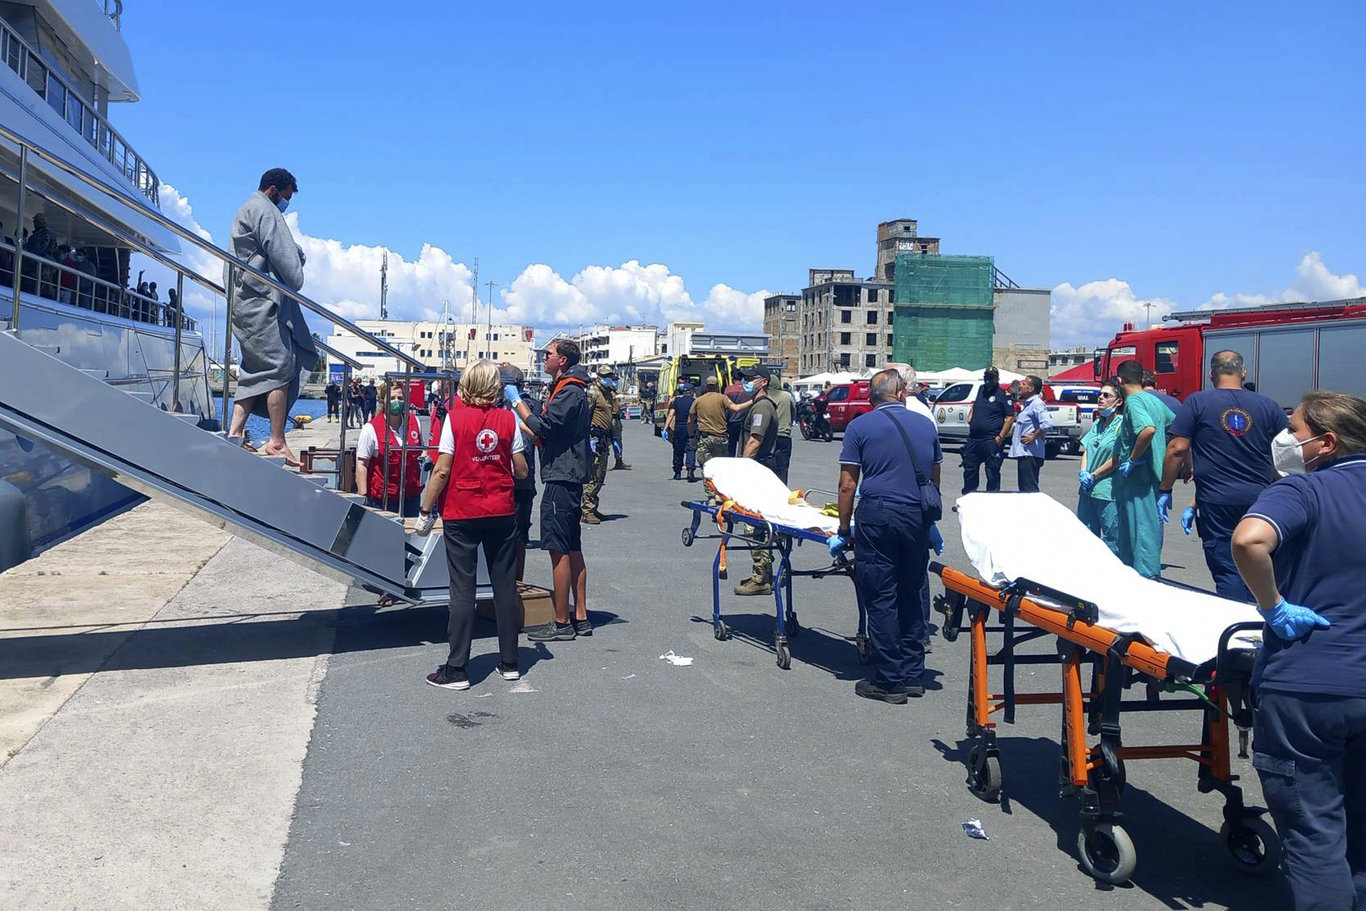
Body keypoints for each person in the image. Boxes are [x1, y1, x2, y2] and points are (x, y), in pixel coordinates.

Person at [1230, 390, 1366, 911]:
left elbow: (1248, 541)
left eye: (1294, 429)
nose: (1285, 440)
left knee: (1314, 836)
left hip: (1309, 688)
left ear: (1326, 443)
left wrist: (1274, 605)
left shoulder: (1304, 491)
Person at [829, 369, 941, 703]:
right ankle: (912, 675)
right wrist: (929, 524)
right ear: (902, 393)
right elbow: (934, 480)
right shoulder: (926, 426)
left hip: (879, 515)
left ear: (872, 397)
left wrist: (844, 529)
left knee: (881, 594)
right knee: (911, 592)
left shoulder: (860, 427)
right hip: (916, 516)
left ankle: (889, 680)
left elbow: (848, 484)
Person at [415, 360, 528, 691]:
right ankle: (509, 661)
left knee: (462, 588)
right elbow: (520, 470)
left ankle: (457, 667)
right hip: (501, 510)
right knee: (504, 586)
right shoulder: (508, 420)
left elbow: (441, 470)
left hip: (463, 511)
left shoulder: (455, 418)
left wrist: (425, 510)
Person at [1158, 350, 1286, 602]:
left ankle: (1235, 626)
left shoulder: (1197, 402)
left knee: (1228, 569)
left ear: (1210, 374)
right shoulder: (1268, 406)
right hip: (1261, 500)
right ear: (1243, 373)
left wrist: (1165, 489)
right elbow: (1287, 450)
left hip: (1217, 501)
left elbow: (1177, 448)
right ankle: (1263, 619)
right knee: (1260, 562)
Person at [225, 168, 316, 466]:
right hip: (261, 302)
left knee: (255, 367)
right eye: (286, 197)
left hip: (244, 300)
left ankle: (235, 433)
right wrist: (297, 259)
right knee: (281, 365)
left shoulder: (245, 210)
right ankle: (277, 441)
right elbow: (290, 267)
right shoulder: (265, 212)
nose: (286, 204)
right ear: (274, 190)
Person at [505, 338, 593, 641]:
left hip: (562, 475)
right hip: (567, 472)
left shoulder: (569, 391)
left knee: (559, 548)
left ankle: (561, 620)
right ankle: (579, 616)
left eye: (549, 354)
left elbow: (545, 427)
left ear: (563, 361)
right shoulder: (572, 389)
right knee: (572, 547)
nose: (545, 358)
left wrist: (517, 403)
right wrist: (517, 423)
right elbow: (544, 429)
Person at [1113, 359, 1175, 578]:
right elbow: (1175, 427)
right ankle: (1143, 575)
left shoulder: (1134, 402)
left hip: (1140, 477)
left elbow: (1147, 430)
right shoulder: (1155, 401)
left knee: (1141, 532)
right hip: (1153, 476)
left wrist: (1133, 457)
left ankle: (1145, 579)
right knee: (1146, 528)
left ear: (1120, 380)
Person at [734, 366, 781, 596]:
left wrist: (742, 469)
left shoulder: (762, 407)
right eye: (744, 378)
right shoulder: (757, 404)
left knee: (754, 525)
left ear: (763, 382)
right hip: (761, 468)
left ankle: (760, 578)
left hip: (758, 468)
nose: (745, 382)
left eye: (750, 379)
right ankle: (763, 574)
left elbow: (754, 441)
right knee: (759, 525)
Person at [353, 380, 425, 515]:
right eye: (392, 398)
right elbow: (362, 464)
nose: (396, 401)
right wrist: (363, 496)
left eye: (400, 398)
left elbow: (421, 450)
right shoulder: (371, 429)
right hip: (383, 498)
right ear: (383, 401)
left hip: (411, 496)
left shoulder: (414, 422)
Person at [1076, 379, 1124, 556]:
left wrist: (1094, 475)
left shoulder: (1121, 425)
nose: (1101, 398)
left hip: (1107, 491)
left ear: (1118, 401)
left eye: (1106, 395)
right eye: (1100, 395)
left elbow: (1116, 458)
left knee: (1112, 538)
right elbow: (1087, 449)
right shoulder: (1098, 423)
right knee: (1086, 536)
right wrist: (1083, 472)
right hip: (1087, 490)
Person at [501, 366, 539, 581]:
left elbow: (536, 436)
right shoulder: (494, 408)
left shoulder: (531, 407)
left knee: (519, 537)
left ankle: (516, 584)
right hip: (500, 480)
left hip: (522, 480)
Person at [961, 367, 1015, 494]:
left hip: (991, 439)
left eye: (991, 377)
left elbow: (1010, 417)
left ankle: (992, 496)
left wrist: (1000, 437)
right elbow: (976, 404)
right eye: (986, 376)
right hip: (974, 438)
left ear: (997, 379)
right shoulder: (981, 390)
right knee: (969, 469)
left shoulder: (1003, 395)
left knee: (992, 471)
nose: (988, 379)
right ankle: (969, 495)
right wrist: (971, 415)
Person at [582, 365, 617, 524]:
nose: (608, 377)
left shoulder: (609, 394)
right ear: (598, 377)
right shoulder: (593, 393)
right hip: (594, 438)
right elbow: (585, 416)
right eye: (605, 375)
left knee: (600, 474)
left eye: (610, 375)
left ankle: (593, 507)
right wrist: (588, 438)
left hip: (604, 438)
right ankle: (587, 510)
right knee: (593, 475)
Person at [1008, 375, 1052, 493]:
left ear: (1031, 388)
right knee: (1024, 490)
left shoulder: (1037, 403)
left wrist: (1034, 436)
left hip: (1030, 454)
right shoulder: (1028, 404)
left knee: (1029, 490)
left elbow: (1047, 424)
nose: (1020, 385)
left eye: (1023, 384)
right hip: (1024, 454)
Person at [689, 374, 731, 473]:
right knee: (720, 468)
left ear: (706, 386)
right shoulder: (723, 398)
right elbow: (736, 408)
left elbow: (690, 421)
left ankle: (709, 487)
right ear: (717, 386)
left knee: (707, 468)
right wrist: (752, 401)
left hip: (705, 438)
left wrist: (691, 436)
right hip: (720, 438)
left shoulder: (698, 400)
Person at [663, 382, 697, 482]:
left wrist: (665, 428)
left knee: (678, 449)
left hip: (679, 427)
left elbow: (671, 414)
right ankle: (690, 470)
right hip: (691, 427)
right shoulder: (695, 401)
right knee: (691, 449)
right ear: (692, 392)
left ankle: (677, 472)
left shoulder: (676, 400)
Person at [767, 376, 796, 484]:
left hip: (769, 436)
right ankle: (783, 488)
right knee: (783, 466)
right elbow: (793, 412)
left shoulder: (765, 397)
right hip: (784, 434)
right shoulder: (787, 396)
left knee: (768, 465)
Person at [21, 212, 56, 296]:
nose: (34, 223)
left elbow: (39, 249)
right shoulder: (41, 233)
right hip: (38, 266)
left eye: (35, 221)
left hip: (38, 266)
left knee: (37, 288)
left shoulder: (45, 233)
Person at [724, 375, 753, 456]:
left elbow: (725, 406)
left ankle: (731, 461)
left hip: (732, 421)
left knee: (731, 444)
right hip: (744, 420)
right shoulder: (747, 390)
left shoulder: (728, 390)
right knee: (744, 444)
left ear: (733, 379)